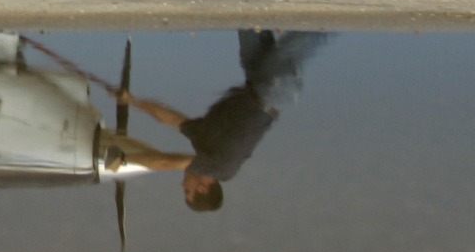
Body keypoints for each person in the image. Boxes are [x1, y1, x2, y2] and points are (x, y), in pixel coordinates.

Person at [110, 29, 329, 212]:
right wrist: (122, 163)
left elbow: (170, 118)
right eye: (187, 190)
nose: (182, 183)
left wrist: (132, 101)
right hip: (273, 89)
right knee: (314, 30)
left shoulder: (206, 146)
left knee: (248, 17)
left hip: (258, 82)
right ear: (203, 188)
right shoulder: (219, 167)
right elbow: (165, 161)